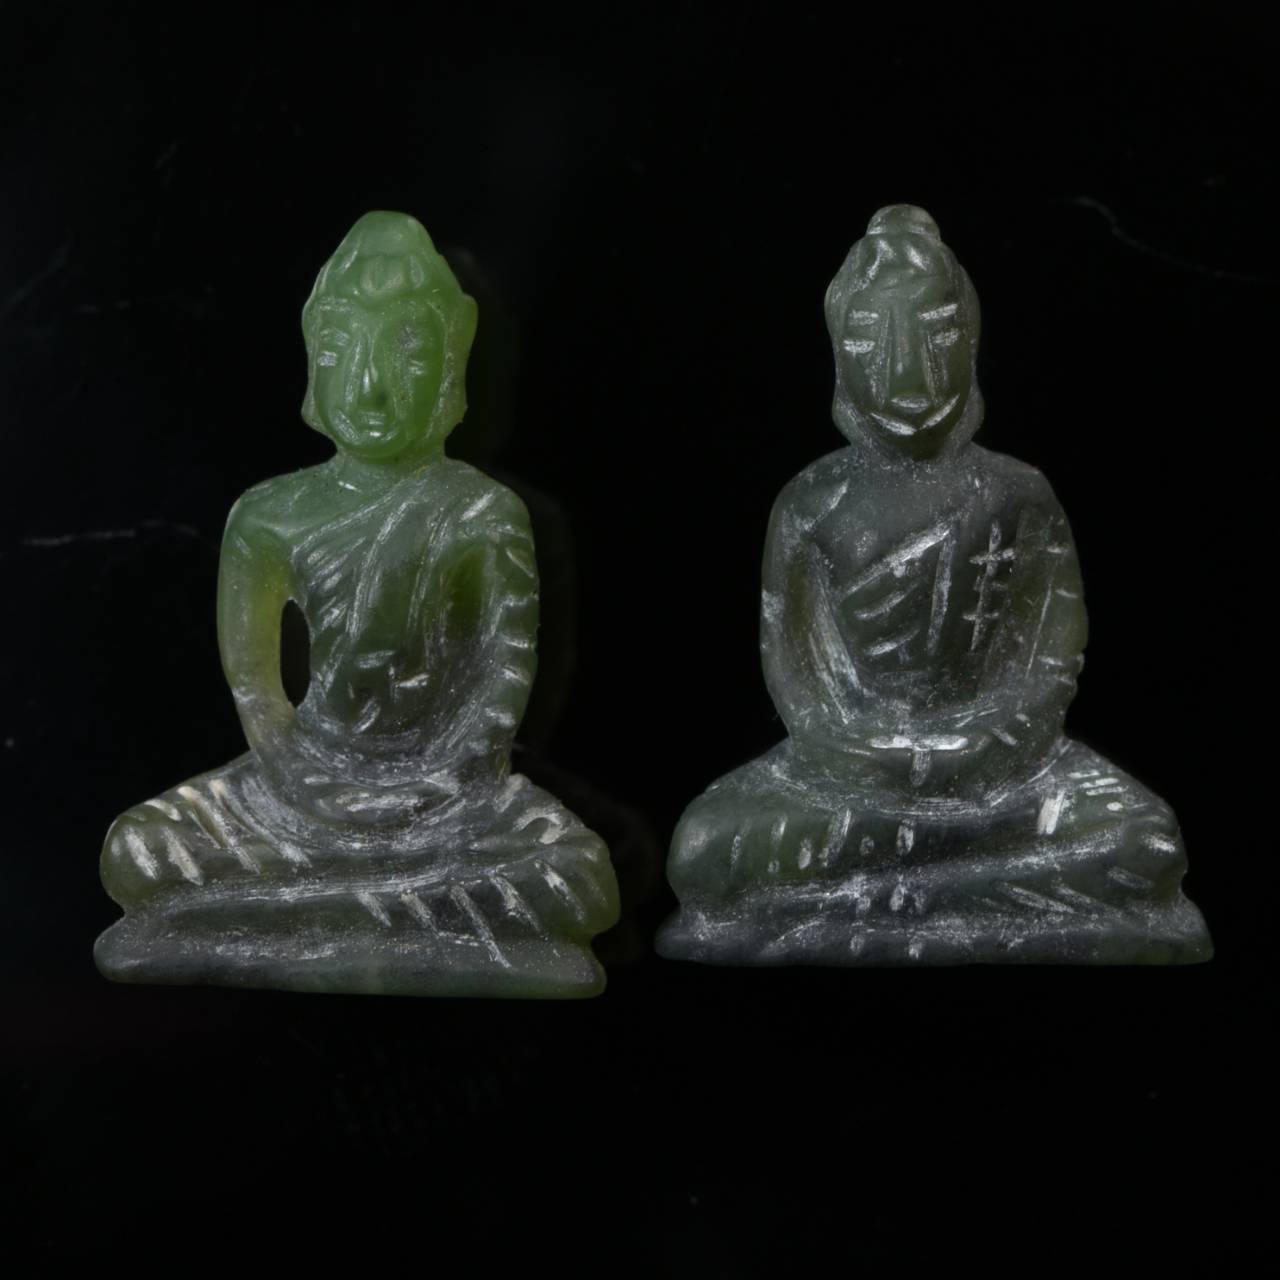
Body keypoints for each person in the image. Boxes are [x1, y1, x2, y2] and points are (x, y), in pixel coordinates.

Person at [659, 205, 1211, 965]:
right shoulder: (811, 502)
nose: (905, 368)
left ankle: (874, 897)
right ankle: (952, 887)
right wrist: (857, 753)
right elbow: (793, 670)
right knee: (706, 848)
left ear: (970, 342)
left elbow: (1053, 655)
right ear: (839, 355)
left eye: (936, 333)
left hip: (1003, 776)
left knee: (1143, 841)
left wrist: (990, 746)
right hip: (849, 773)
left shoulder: (1017, 494)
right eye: (870, 338)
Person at [96, 212, 619, 996]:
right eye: (344, 348)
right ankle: (380, 916)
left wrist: (443, 782)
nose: (372, 383)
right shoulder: (270, 515)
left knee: (576, 875)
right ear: (314, 362)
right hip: (301, 781)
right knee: (138, 851)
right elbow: (255, 685)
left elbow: (501, 676)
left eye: (407, 349)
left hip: (449, 796)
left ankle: (289, 914)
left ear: (452, 363)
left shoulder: (481, 512)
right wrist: (298, 775)